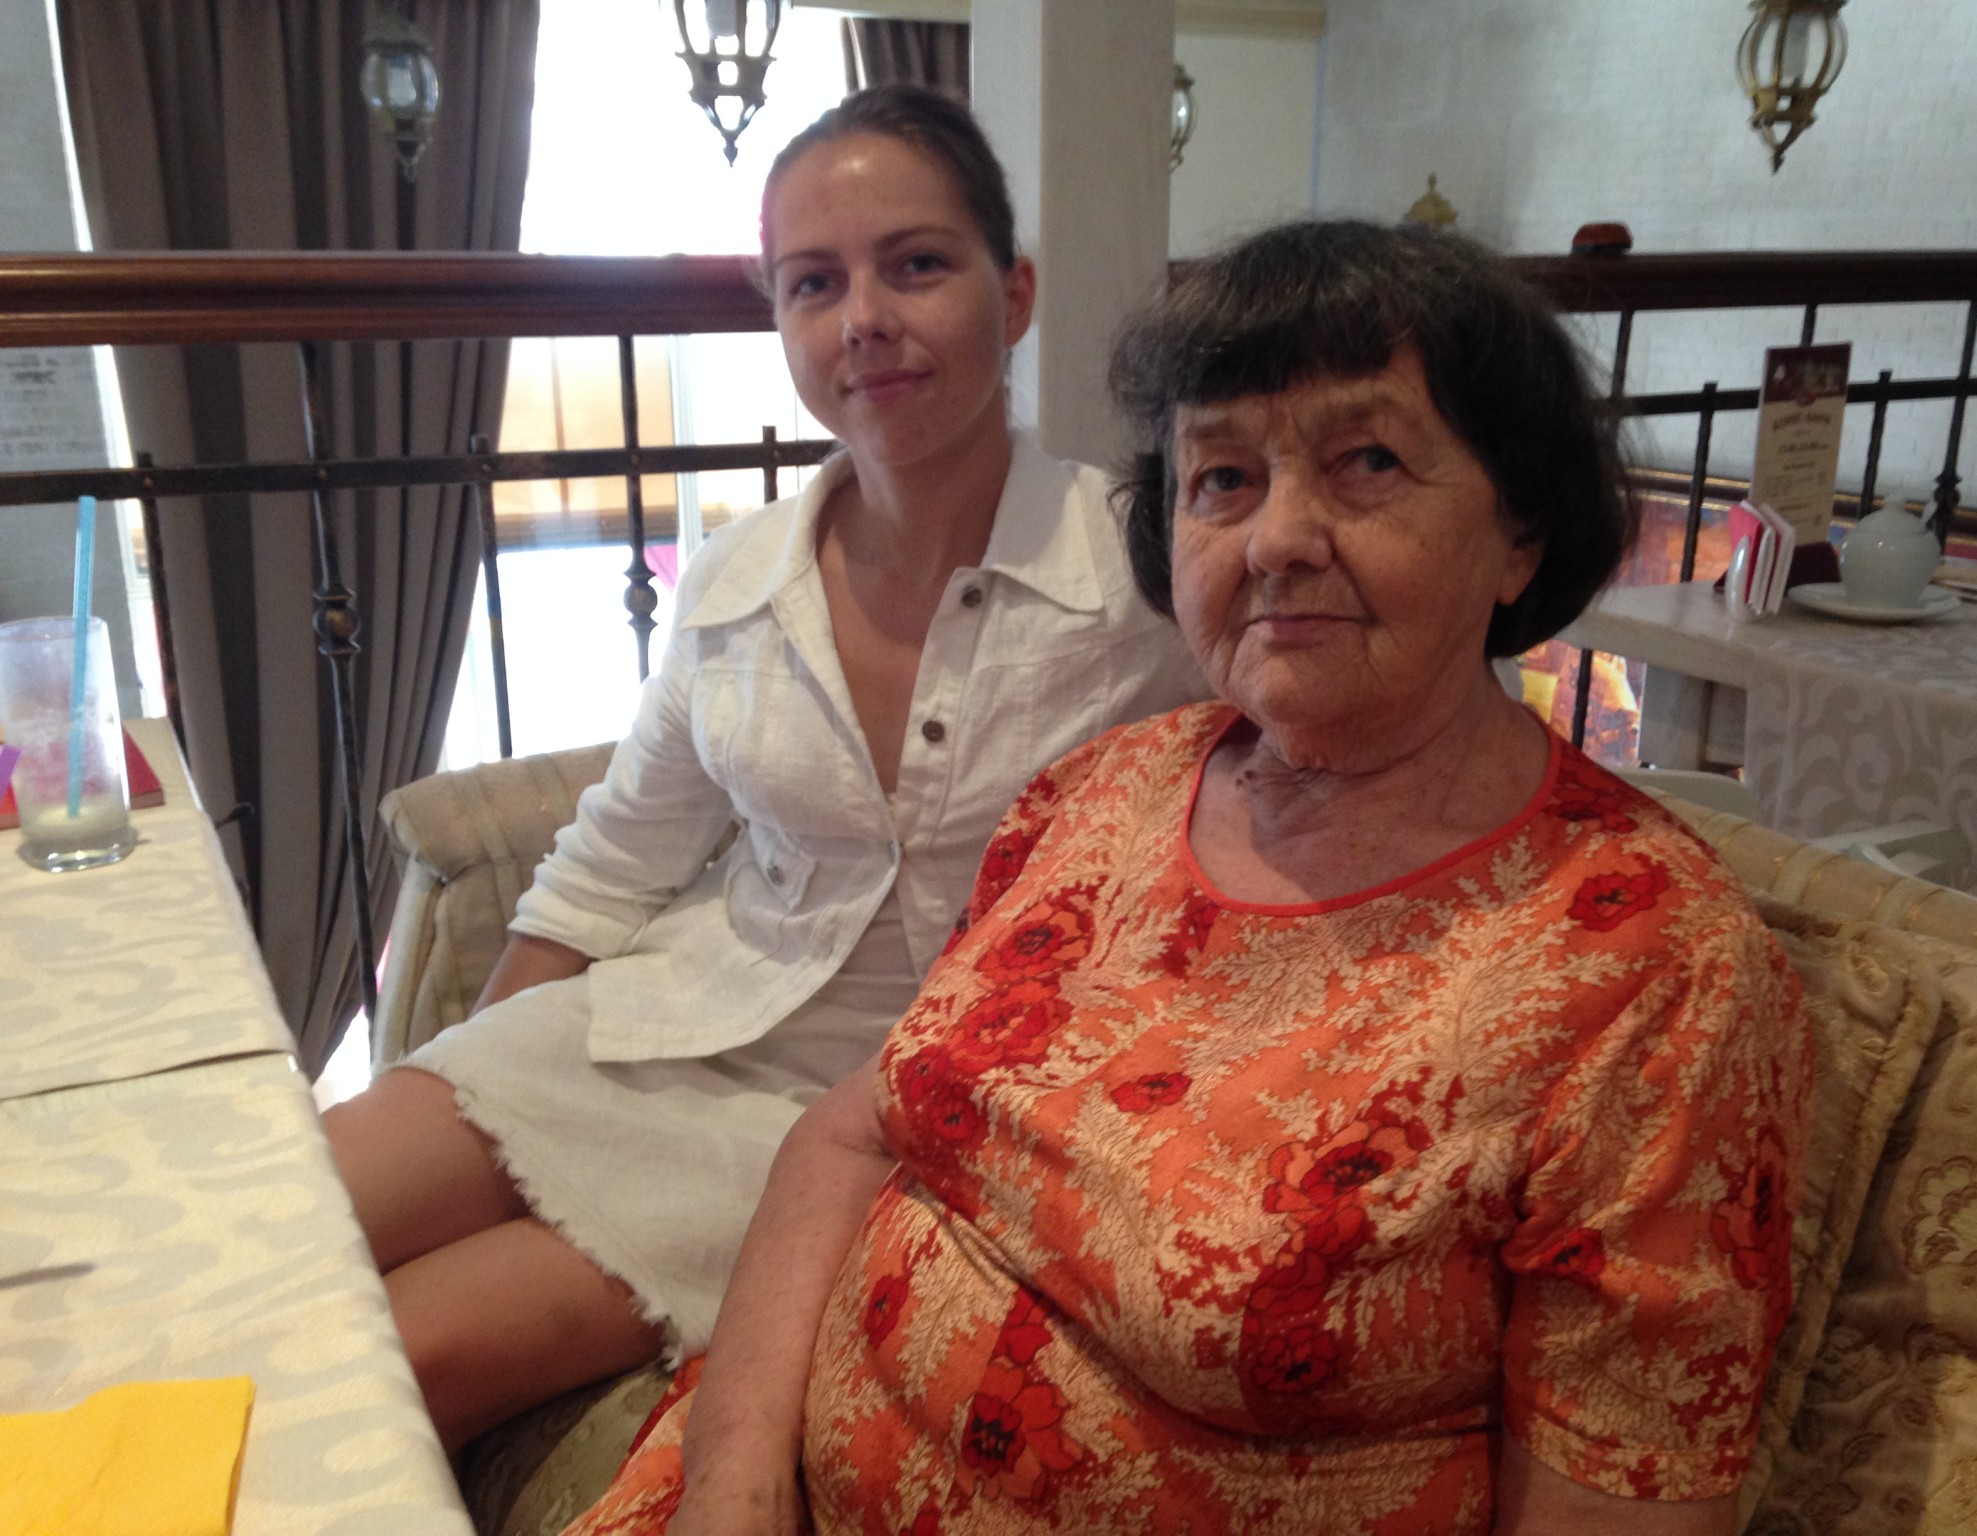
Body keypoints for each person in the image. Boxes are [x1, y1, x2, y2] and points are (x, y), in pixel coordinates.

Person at [565, 220, 1811, 1536]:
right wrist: (734, 1482)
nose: (1276, 538)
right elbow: (856, 1130)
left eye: (1367, 460)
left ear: (1521, 532)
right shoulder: (1102, 791)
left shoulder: (1655, 975)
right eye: (1220, 479)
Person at [321, 84, 1206, 1451]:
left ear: (1013, 292)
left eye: (916, 264)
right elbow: (611, 867)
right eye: (814, 282)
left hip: (851, 1121)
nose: (864, 317)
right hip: (653, 1024)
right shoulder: (740, 577)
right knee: (288, 1224)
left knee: (387, 1360)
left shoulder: (1148, 574)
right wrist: (471, 1065)